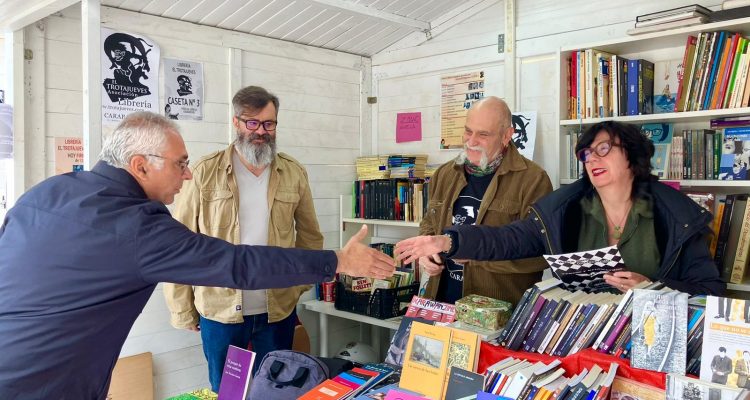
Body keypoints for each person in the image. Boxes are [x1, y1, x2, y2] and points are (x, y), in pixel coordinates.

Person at [0, 112, 394, 399]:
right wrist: (337, 262)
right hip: (45, 383)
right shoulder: (137, 226)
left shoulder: (46, 192)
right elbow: (235, 263)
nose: (187, 175)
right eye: (180, 164)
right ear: (140, 166)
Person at [395, 120, 725, 296]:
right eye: (586, 154)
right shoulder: (565, 209)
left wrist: (651, 289)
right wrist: (449, 242)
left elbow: (710, 292)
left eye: (603, 149)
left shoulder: (677, 216)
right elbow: (509, 239)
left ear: (633, 155)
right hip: (584, 339)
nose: (592, 158)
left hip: (652, 341)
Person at [163, 86, 322, 390]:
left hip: (277, 309)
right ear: (236, 122)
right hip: (219, 309)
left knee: (276, 391)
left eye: (269, 124)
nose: (261, 131)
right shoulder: (204, 172)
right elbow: (178, 244)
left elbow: (310, 236)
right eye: (253, 122)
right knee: (228, 393)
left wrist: (297, 285)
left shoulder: (294, 173)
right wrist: (182, 308)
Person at [418, 97, 551, 304]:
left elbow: (538, 254)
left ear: (507, 135)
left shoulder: (533, 180)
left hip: (499, 314)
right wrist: (426, 251)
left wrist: (477, 253)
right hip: (442, 306)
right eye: (468, 131)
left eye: (483, 134)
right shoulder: (444, 174)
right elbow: (429, 221)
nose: (471, 142)